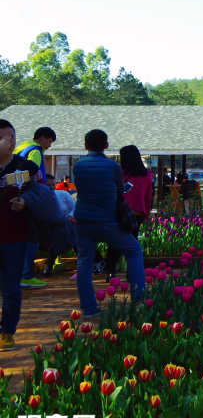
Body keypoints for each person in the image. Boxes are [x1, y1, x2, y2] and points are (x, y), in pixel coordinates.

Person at [73, 129, 146, 317]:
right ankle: (139, 298)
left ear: (85, 146)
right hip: (108, 221)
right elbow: (120, 190)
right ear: (106, 146)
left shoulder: (78, 166)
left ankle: (89, 308)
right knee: (134, 250)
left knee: (84, 263)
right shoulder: (113, 166)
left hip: (83, 222)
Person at [0, 119, 38, 350]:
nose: (11, 141)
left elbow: (40, 191)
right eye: (5, 137)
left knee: (11, 288)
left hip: (15, 237)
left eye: (12, 136)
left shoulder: (26, 167)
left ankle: (7, 332)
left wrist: (26, 201)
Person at [106, 145, 153, 276]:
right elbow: (148, 196)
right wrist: (145, 214)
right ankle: (131, 273)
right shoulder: (146, 175)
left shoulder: (118, 172)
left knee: (113, 242)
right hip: (136, 213)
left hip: (118, 212)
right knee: (132, 243)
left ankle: (111, 271)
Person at [15, 127, 53, 289]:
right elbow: (33, 175)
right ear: (43, 137)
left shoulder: (21, 148)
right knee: (33, 239)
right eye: (50, 142)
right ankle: (27, 275)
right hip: (30, 198)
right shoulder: (35, 151)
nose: (49, 146)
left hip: (16, 195)